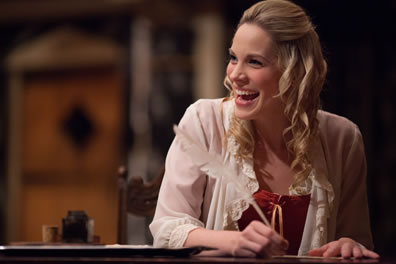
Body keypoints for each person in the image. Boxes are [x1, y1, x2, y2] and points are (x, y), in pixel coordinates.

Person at [149, 0, 379, 258]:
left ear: (294, 72)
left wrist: (348, 245)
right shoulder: (203, 120)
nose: (235, 74)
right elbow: (167, 230)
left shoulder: (343, 138)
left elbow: (356, 238)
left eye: (255, 62)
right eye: (233, 58)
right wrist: (232, 242)